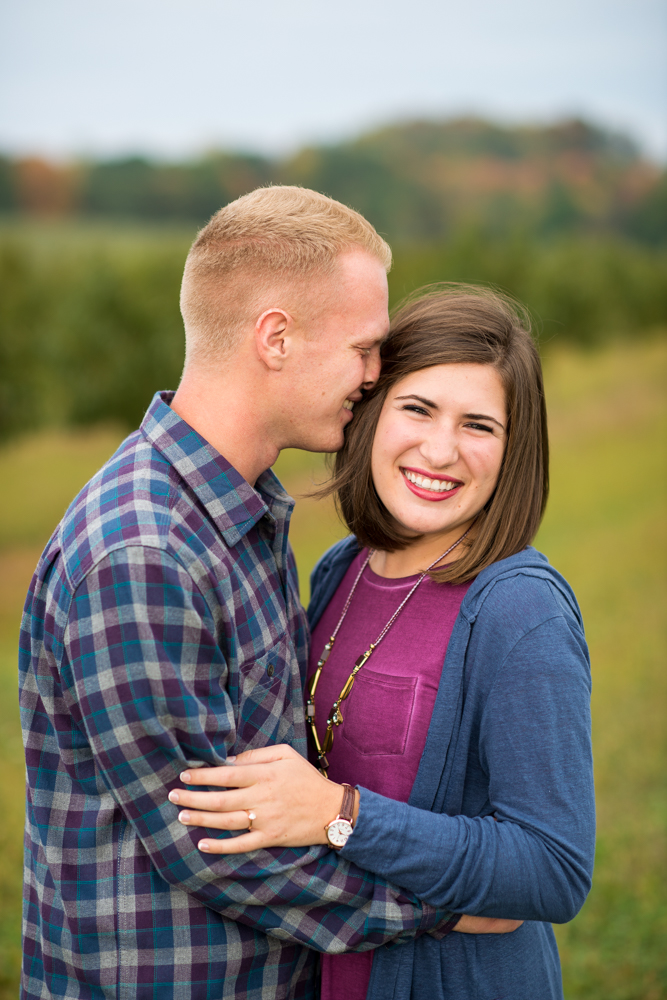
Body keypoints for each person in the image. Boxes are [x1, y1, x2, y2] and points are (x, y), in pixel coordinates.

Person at [19, 191, 509, 1000]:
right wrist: (446, 903)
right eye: (363, 348)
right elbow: (216, 847)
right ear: (275, 338)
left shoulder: (241, 516)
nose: (374, 375)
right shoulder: (144, 553)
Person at [166, 285, 596, 1000]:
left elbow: (552, 869)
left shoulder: (520, 611)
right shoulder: (343, 567)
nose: (440, 449)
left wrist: (340, 815)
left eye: (478, 425)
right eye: (418, 409)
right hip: (329, 969)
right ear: (371, 411)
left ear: (513, 450)